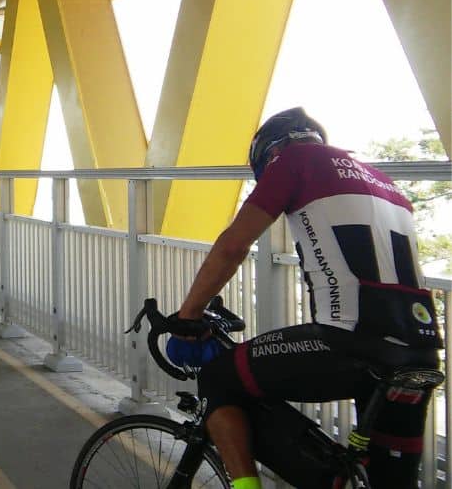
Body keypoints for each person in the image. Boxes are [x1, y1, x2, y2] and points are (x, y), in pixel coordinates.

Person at [167, 107, 442, 489]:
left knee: (218, 377)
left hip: (349, 338)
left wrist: (188, 316)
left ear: (268, 154)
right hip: (420, 349)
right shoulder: (385, 181)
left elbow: (233, 246)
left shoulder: (292, 159)